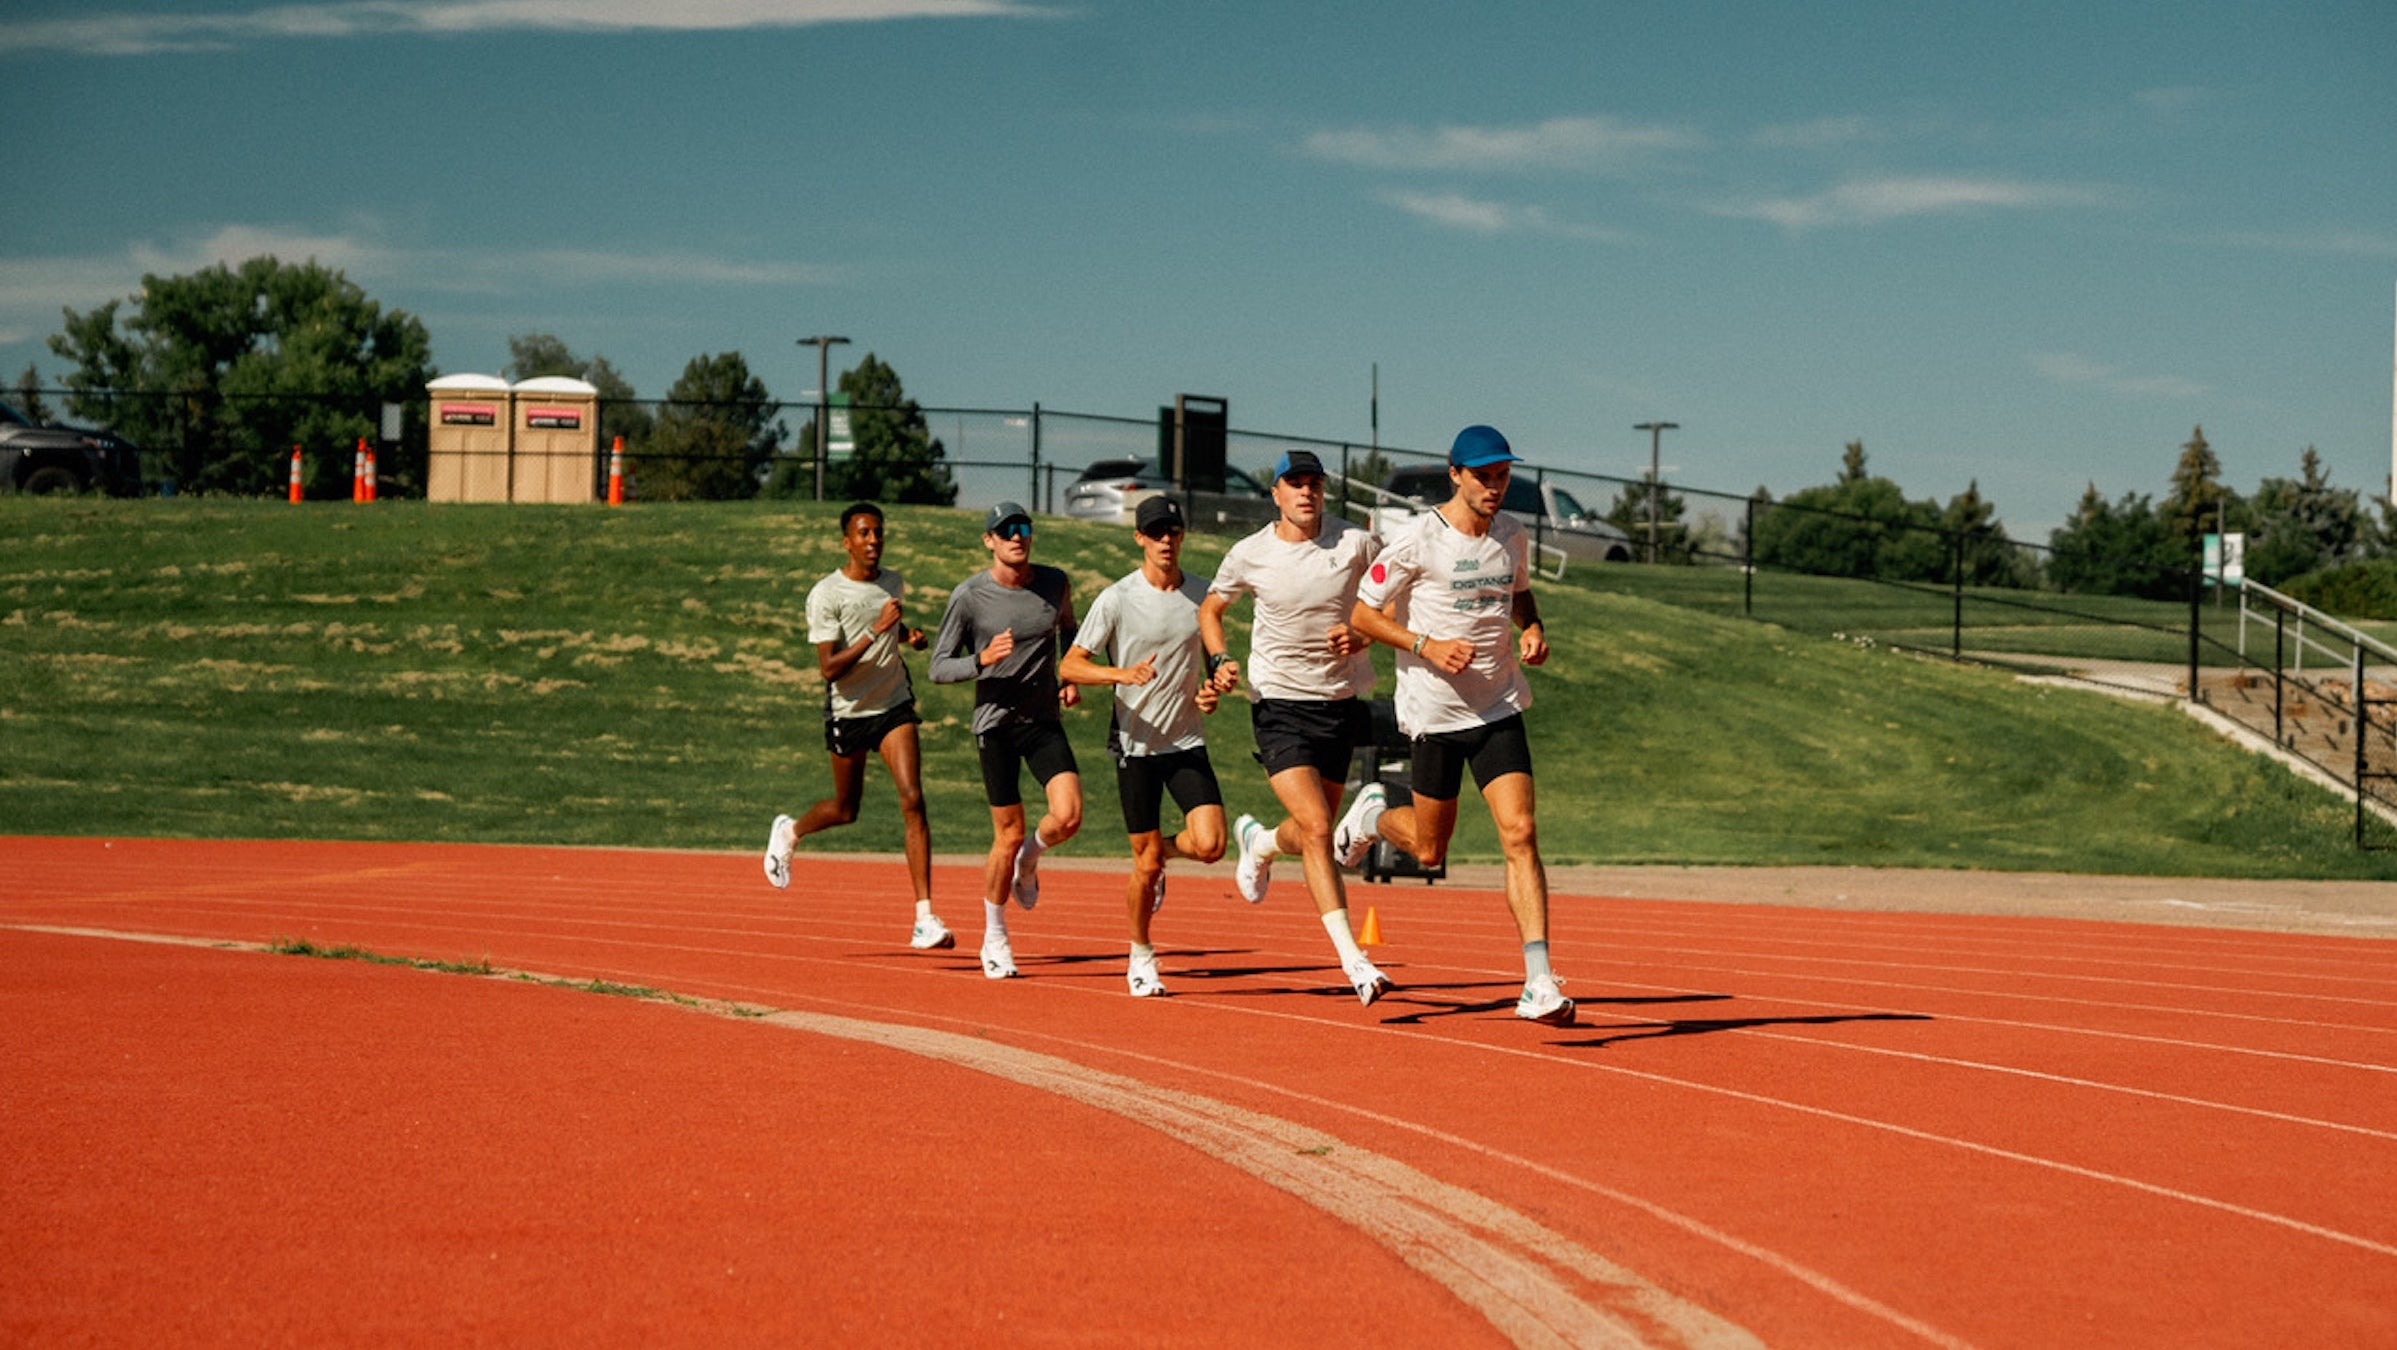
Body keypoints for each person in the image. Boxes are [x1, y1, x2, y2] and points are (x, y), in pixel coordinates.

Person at [1346, 425, 1575, 1026]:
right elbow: (1363, 616)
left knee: (1520, 832)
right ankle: (1372, 812)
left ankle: (1538, 980)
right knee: (1427, 850)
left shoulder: (1512, 535)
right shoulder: (1417, 540)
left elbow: (1519, 593)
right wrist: (1424, 643)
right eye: (1483, 476)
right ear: (1455, 475)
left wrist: (1532, 628)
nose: (1495, 486)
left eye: (1502, 475)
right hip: (1434, 714)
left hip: (1497, 705)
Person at [1197, 448, 1396, 1007]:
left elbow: (1392, 604)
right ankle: (1354, 960)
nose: (1306, 492)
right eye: (1295, 483)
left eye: (1314, 483)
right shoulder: (1250, 553)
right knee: (1316, 827)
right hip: (1277, 703)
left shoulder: (1356, 543)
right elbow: (1210, 611)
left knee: (1314, 828)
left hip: (1338, 702)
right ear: (1276, 493)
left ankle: (1259, 842)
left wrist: (1364, 636)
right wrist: (1219, 660)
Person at [762, 501, 951, 952]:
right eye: (864, 534)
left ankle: (924, 917)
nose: (873, 541)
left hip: (893, 706)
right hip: (848, 712)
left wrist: (908, 635)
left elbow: (893, 626)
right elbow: (829, 669)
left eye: (878, 533)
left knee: (913, 798)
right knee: (846, 810)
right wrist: (877, 630)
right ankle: (790, 832)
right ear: (846, 542)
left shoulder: (892, 582)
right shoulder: (826, 594)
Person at [1060, 494, 1227, 998]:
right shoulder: (1116, 598)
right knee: (1144, 864)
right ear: (1139, 538)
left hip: (1186, 739)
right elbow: (1069, 665)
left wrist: (1211, 691)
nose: (1165, 541)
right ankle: (1140, 955)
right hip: (1136, 745)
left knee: (1212, 845)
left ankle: (1162, 857)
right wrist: (1120, 675)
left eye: (1173, 532)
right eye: (1155, 533)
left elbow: (1214, 662)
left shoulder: (1202, 595)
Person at [929, 501, 1083, 980]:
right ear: (989, 541)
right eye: (1005, 530)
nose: (1016, 536)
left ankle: (1030, 861)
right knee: (1007, 833)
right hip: (995, 725)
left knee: (1069, 816)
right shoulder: (970, 596)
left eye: (1023, 528)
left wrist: (1068, 674)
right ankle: (994, 936)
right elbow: (938, 666)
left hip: (1041, 720)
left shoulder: (1054, 583)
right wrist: (981, 661)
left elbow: (1069, 630)